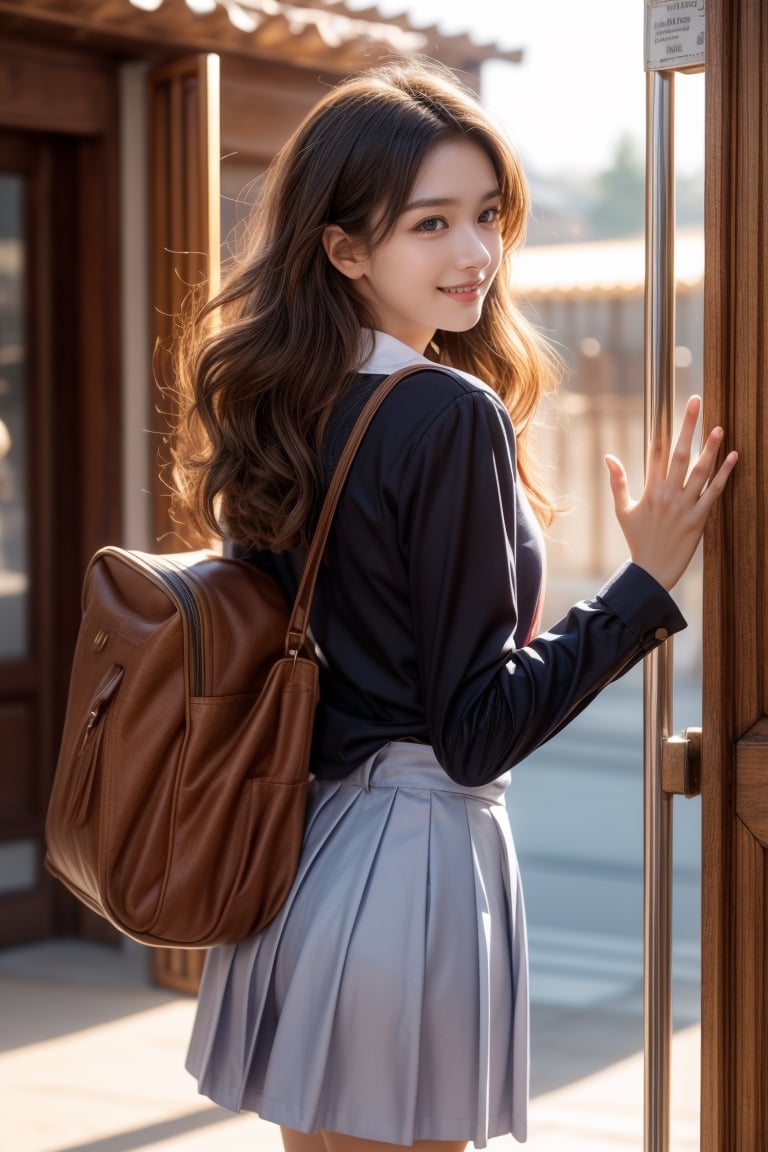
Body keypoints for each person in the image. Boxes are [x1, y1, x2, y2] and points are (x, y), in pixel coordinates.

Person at [172, 59, 737, 1152]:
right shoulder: (446, 415)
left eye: (486, 215)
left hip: (301, 866)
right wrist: (644, 588)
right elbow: (473, 731)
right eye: (429, 223)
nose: (474, 253)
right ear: (343, 248)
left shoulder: (286, 408)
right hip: (411, 874)